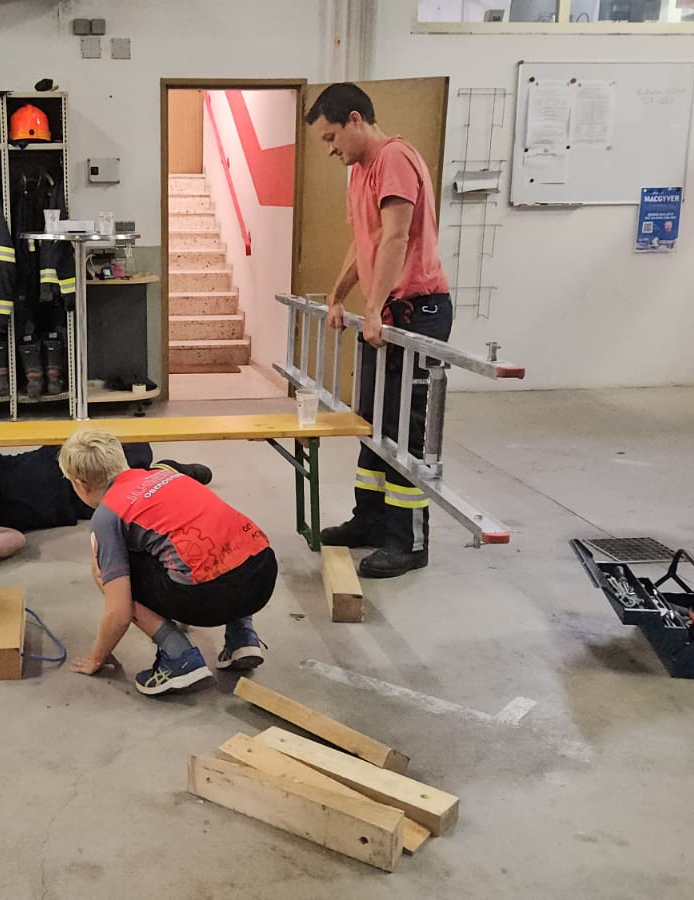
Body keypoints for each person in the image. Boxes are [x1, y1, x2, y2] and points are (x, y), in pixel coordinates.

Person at [305, 83, 453, 579]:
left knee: (404, 429)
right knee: (370, 421)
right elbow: (364, 241)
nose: (330, 150)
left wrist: (373, 307)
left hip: (416, 310)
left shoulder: (394, 158)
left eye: (331, 138)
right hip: (385, 312)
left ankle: (408, 541)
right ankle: (369, 519)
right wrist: (337, 294)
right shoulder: (359, 171)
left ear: (355, 119)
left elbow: (396, 236)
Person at [60, 427, 274, 697]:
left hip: (213, 598)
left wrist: (97, 657)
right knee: (221, 542)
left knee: (105, 571)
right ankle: (242, 636)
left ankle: (179, 657)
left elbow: (119, 613)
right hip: (263, 573)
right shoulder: (167, 475)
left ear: (81, 484)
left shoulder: (107, 515)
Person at [0, 444, 211, 561]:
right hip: (67, 507)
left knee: (131, 454)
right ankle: (167, 471)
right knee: (135, 499)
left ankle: (168, 469)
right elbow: (13, 539)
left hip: (58, 464)